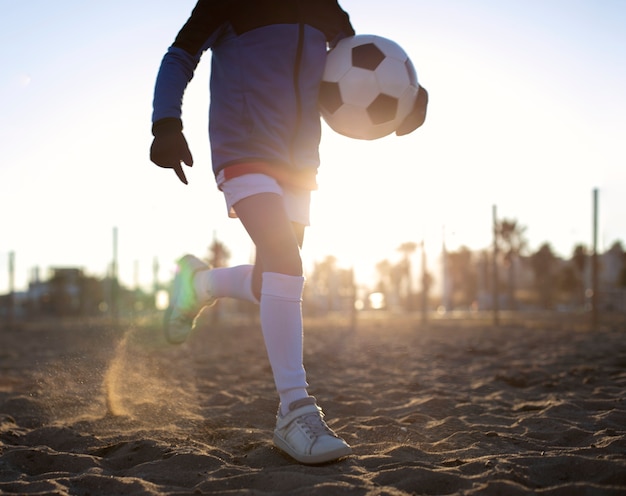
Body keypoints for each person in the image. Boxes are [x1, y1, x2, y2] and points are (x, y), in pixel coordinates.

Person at [150, 0, 428, 465]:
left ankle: (198, 284)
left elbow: (349, 67)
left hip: (301, 165)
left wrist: (407, 99)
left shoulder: (326, 8)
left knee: (271, 281)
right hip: (244, 146)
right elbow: (180, 54)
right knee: (284, 259)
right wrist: (166, 122)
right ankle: (294, 411)